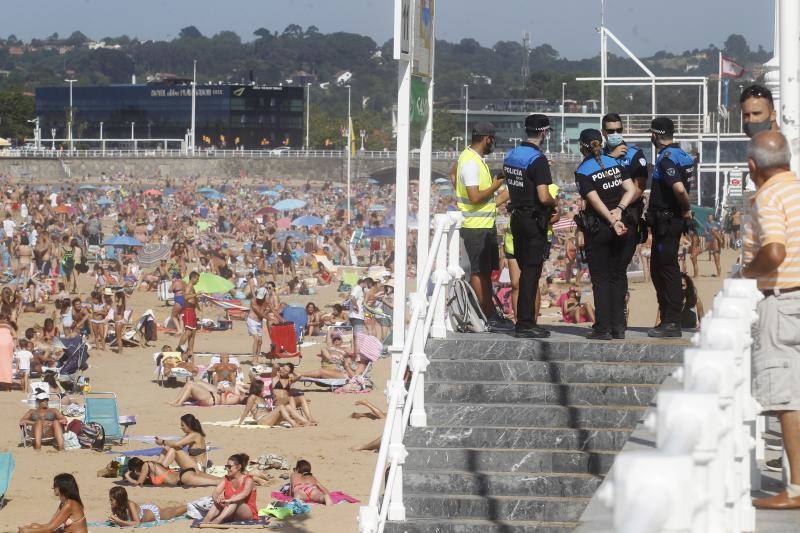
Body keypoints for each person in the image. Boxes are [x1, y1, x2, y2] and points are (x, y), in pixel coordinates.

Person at [740, 131, 800, 509]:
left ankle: (796, 489)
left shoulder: (768, 195)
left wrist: (750, 271)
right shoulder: (795, 188)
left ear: (752, 166)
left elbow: (774, 251)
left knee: (788, 397)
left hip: (784, 299)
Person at [573, 129, 637, 339]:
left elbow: (594, 201)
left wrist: (611, 220)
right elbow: (631, 190)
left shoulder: (583, 170)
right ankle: (618, 326)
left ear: (582, 147)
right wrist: (619, 211)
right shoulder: (616, 163)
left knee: (600, 278)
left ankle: (603, 327)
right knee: (617, 276)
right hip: (622, 224)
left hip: (600, 228)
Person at [503, 114, 556, 338]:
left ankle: (522, 321)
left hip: (516, 218)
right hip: (534, 219)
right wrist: (555, 203)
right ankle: (526, 323)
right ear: (544, 132)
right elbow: (544, 196)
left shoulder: (511, 154)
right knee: (531, 273)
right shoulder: (538, 159)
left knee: (525, 271)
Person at [455, 122, 510, 329]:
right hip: (475, 226)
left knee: (485, 272)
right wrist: (497, 183)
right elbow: (475, 196)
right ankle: (489, 316)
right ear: (488, 138)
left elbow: (454, 175)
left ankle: (491, 314)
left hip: (483, 223)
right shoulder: (470, 162)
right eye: (492, 140)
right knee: (479, 272)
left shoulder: (470, 158)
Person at [646, 117, 694, 338]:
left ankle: (672, 321)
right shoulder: (683, 155)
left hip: (667, 221)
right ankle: (668, 317)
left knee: (667, 269)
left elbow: (680, 189)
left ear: (655, 135)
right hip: (670, 221)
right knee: (659, 268)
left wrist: (686, 209)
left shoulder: (666, 159)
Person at [601, 112, 649, 246]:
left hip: (627, 213)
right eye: (611, 131)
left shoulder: (634, 153)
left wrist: (619, 208)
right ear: (603, 132)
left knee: (621, 264)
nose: (616, 133)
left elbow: (639, 187)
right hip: (602, 214)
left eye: (619, 130)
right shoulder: (598, 155)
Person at [18, 473, 87, 533]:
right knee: (34, 525)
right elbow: (50, 524)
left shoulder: (70, 504)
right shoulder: (64, 502)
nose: (53, 488)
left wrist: (26, 531)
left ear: (61, 488)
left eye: (55, 486)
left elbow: (50, 529)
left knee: (30, 530)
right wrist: (31, 528)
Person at [203, 453, 258, 524]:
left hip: (247, 513)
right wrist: (217, 498)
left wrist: (230, 500)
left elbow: (244, 494)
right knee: (217, 502)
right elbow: (216, 492)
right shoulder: (226, 479)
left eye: (229, 467)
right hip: (230, 512)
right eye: (226, 466)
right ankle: (206, 520)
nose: (227, 469)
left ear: (238, 467)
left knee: (234, 498)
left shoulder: (248, 479)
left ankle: (218, 520)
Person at [108, 486, 187, 527]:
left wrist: (119, 521)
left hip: (153, 513)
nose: (110, 502)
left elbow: (137, 523)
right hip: (143, 510)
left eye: (112, 500)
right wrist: (114, 521)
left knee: (175, 512)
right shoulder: (115, 507)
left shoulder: (130, 504)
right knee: (172, 510)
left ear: (119, 499)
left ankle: (190, 505)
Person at [124, 457, 220, 488]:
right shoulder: (152, 466)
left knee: (217, 482)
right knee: (220, 480)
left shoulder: (146, 465)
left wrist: (128, 476)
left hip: (183, 478)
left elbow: (139, 483)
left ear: (136, 468)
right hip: (185, 474)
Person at [178, 271, 199, 359]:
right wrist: (196, 294)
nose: (198, 281)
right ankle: (179, 348)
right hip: (188, 311)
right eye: (197, 279)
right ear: (193, 278)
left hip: (192, 311)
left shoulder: (192, 287)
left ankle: (190, 350)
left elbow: (193, 298)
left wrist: (198, 306)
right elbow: (185, 297)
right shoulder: (188, 286)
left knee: (193, 332)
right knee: (188, 331)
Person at [246, 287, 269, 360]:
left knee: (260, 341)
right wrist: (270, 318)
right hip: (252, 320)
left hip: (259, 321)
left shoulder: (265, 301)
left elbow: (264, 312)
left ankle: (257, 357)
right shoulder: (253, 300)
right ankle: (254, 359)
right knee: (256, 339)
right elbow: (259, 313)